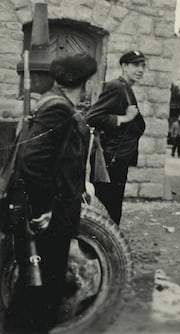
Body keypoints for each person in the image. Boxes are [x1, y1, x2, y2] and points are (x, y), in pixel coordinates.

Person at [4, 52, 97, 333]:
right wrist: (43, 208)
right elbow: (32, 161)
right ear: (82, 83)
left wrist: (79, 188)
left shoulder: (51, 102)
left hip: (47, 215)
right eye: (89, 81)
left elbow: (59, 157)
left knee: (36, 290)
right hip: (46, 222)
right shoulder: (59, 109)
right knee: (38, 296)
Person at [86, 50, 146, 225]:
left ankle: (106, 246)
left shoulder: (125, 89)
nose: (141, 70)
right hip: (110, 160)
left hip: (117, 159)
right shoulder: (116, 87)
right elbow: (92, 117)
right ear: (124, 67)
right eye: (136, 65)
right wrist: (123, 118)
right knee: (107, 209)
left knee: (111, 208)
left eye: (143, 66)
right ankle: (103, 247)